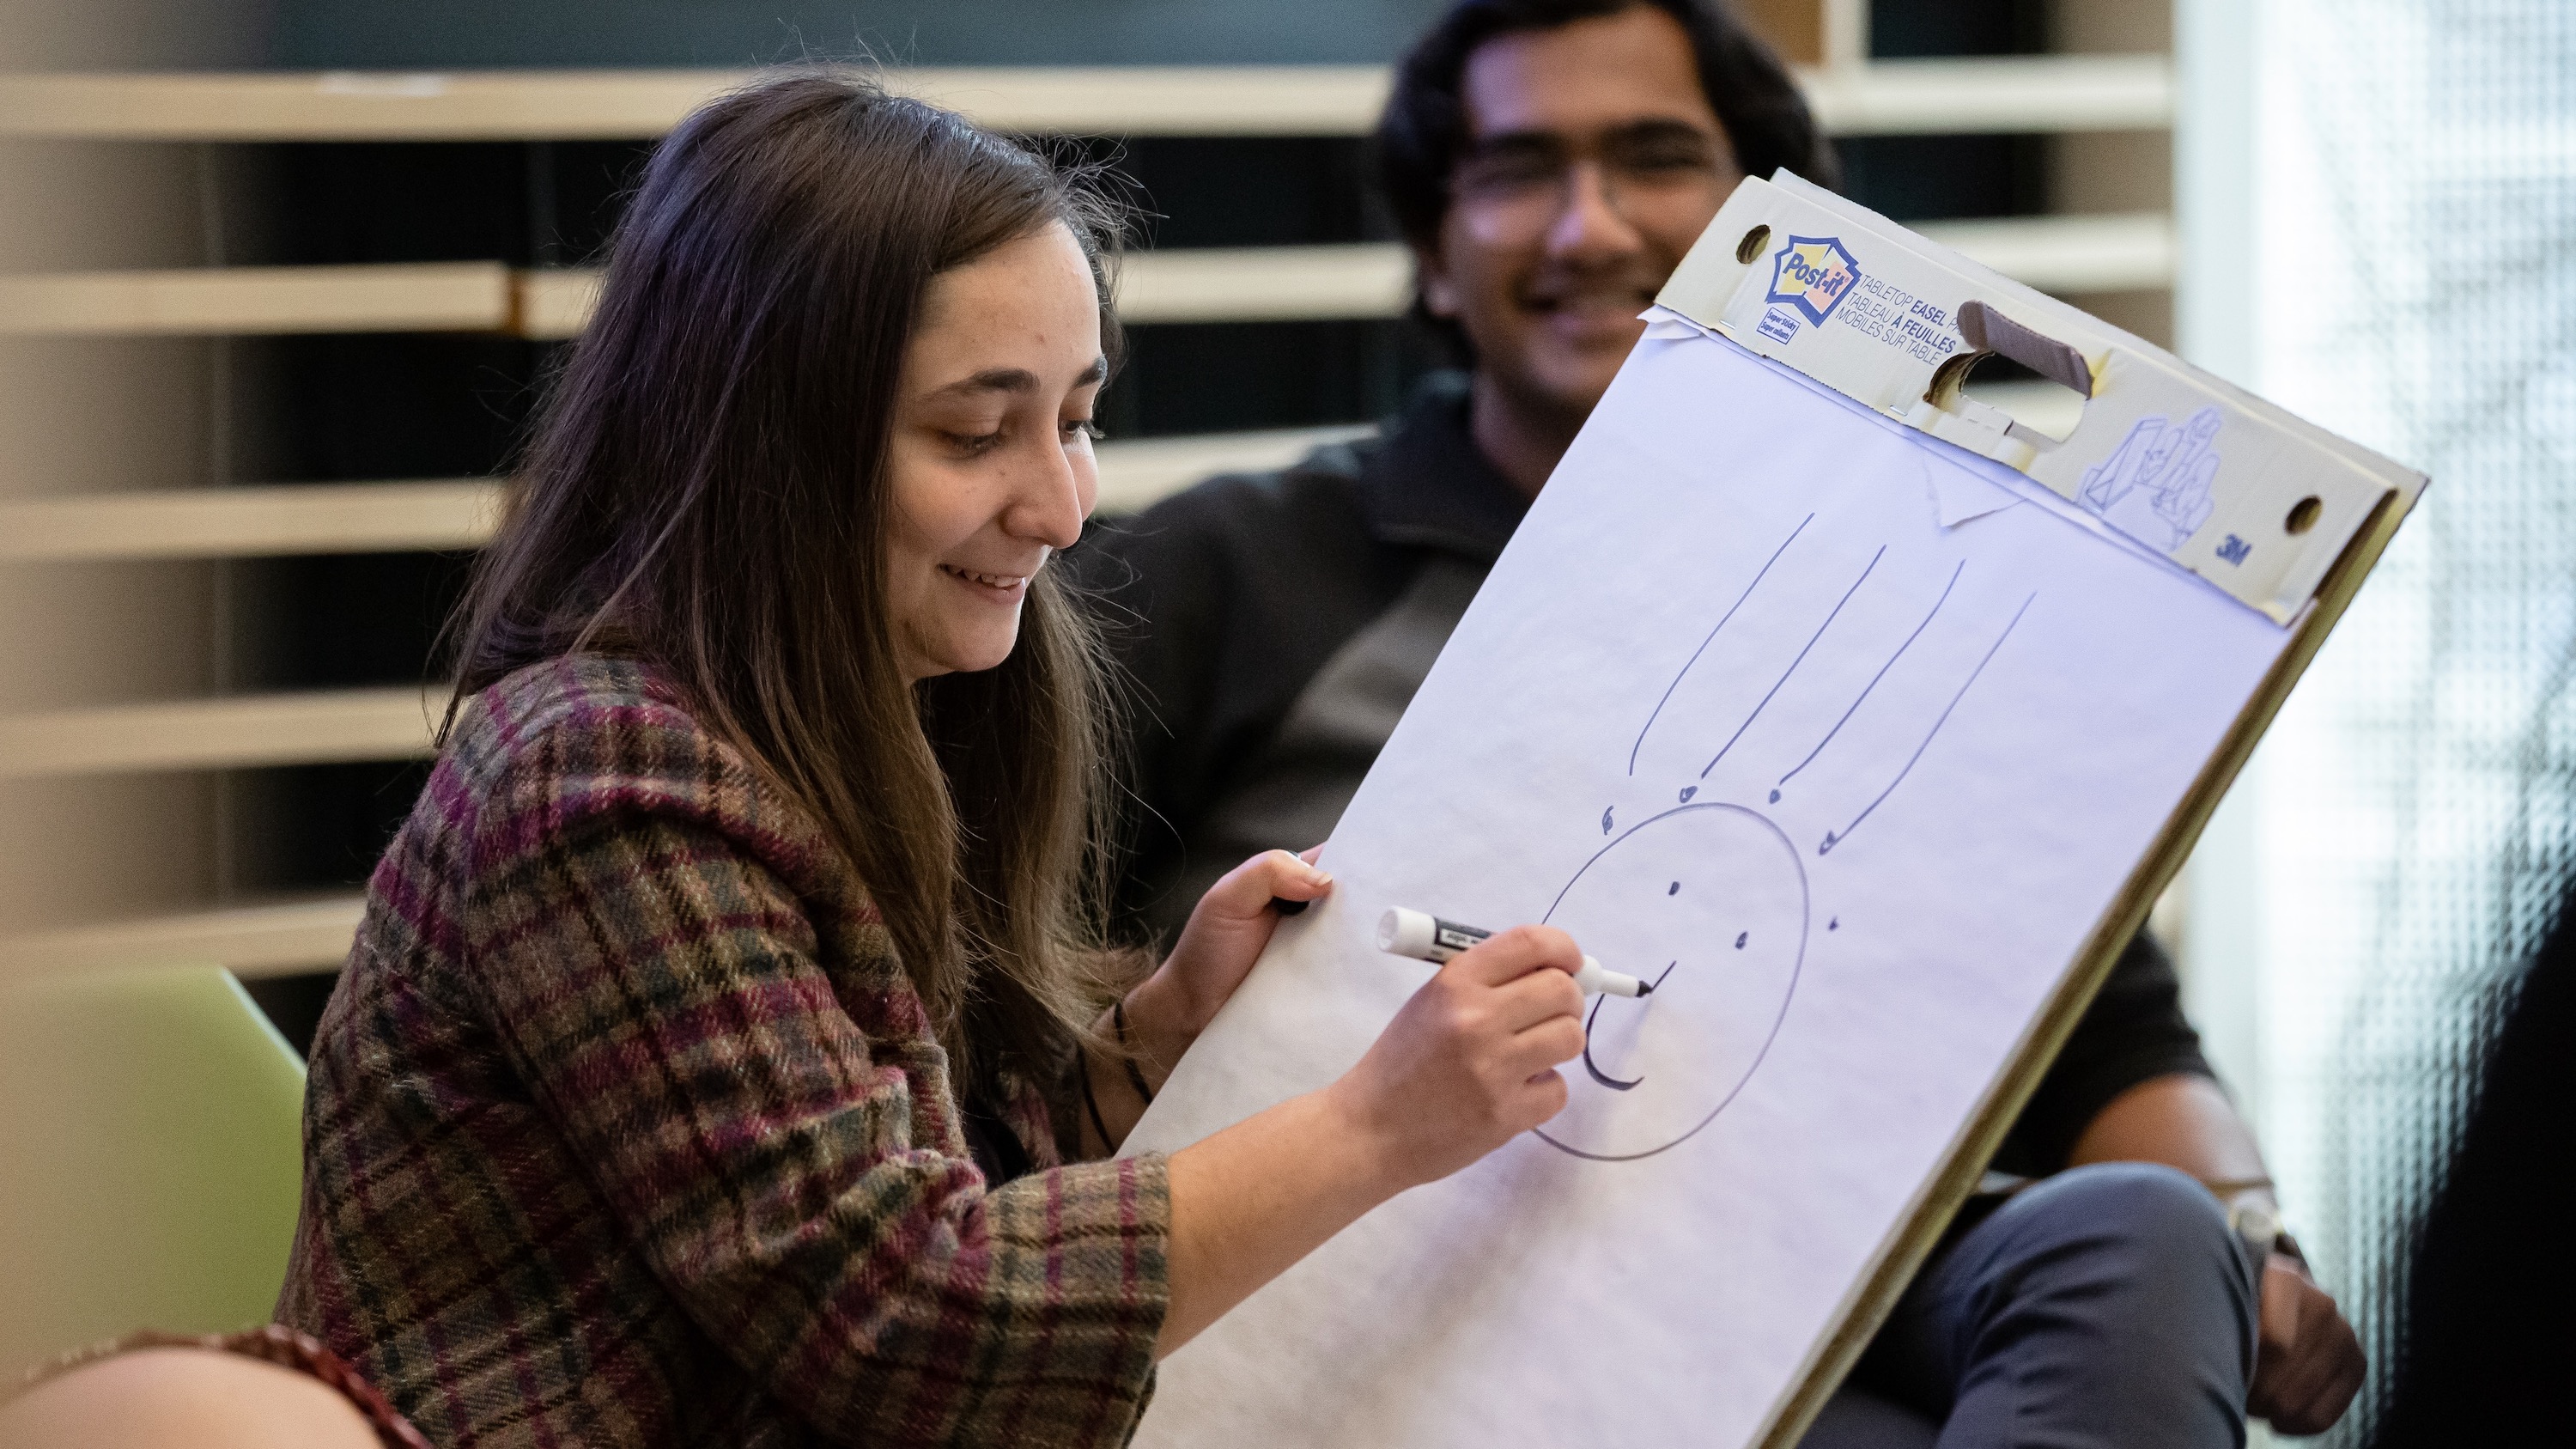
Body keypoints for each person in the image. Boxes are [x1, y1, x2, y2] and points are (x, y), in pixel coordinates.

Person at [1081, 2, 2368, 1444]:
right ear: (1435, 256)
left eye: (1655, 158)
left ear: (1784, 218)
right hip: (1380, 1289)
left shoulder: (1923, 595)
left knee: (2142, 1233)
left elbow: (2114, 1037)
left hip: (1808, 1286)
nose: (1588, 227)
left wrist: (2254, 1240)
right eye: (1515, 173)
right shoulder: (1232, 569)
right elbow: (977, 963)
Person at [274, 72, 1596, 1449]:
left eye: (1078, 419)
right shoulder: (602, 779)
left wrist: (1147, 1046)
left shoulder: (881, 705)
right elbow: (909, 1323)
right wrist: (1376, 1127)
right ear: (762, 443)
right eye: (976, 433)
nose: (1064, 505)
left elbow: (929, 1182)